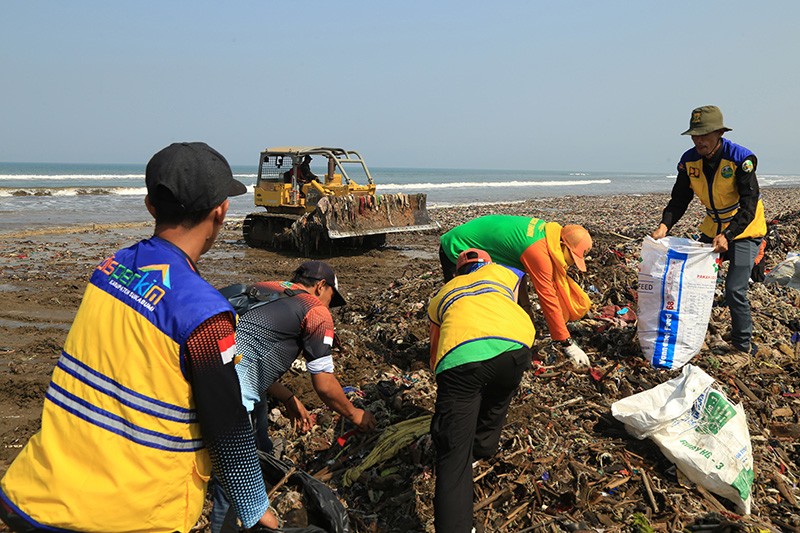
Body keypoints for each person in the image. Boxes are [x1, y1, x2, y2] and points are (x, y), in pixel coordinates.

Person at [0, 142, 278, 532]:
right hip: (127, 514)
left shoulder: (109, 269)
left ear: (150, 205)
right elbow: (227, 422)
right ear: (221, 212)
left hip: (38, 491)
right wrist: (253, 504)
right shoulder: (206, 316)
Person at [210, 260, 377, 533]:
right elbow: (324, 384)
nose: (329, 305)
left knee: (260, 438)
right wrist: (355, 414)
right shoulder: (316, 310)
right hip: (231, 399)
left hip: (210, 378)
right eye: (331, 297)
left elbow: (248, 354)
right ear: (321, 286)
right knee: (228, 485)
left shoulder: (266, 288)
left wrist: (288, 397)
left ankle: (260, 488)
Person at [428, 248, 535, 533]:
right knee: (500, 391)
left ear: (455, 273)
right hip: (516, 347)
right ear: (488, 264)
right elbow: (518, 305)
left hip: (462, 358)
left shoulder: (443, 294)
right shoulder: (507, 273)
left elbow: (435, 350)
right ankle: (484, 446)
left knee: (452, 456)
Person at [652, 105, 766, 356]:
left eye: (704, 135)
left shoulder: (740, 159)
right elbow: (680, 198)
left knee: (735, 289)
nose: (699, 140)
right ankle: (689, 333)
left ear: (718, 133)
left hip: (745, 229)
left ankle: (741, 345)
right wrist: (664, 225)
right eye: (695, 135)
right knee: (689, 280)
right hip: (713, 228)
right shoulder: (689, 160)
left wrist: (729, 235)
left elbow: (749, 204)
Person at [439, 215, 593, 366]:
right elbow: (548, 298)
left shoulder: (547, 233)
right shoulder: (538, 252)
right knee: (461, 305)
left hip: (480, 241)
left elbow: (519, 274)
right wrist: (567, 343)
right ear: (562, 244)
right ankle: (451, 353)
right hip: (458, 246)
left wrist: (527, 313)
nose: (572, 263)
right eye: (572, 257)